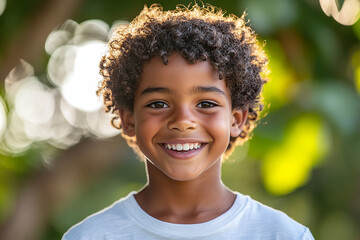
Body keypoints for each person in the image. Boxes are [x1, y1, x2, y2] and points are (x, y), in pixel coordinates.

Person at [62, 3, 315, 240]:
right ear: (129, 120)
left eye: (206, 104)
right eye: (158, 104)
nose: (183, 121)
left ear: (236, 119)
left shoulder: (282, 235)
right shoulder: (91, 236)